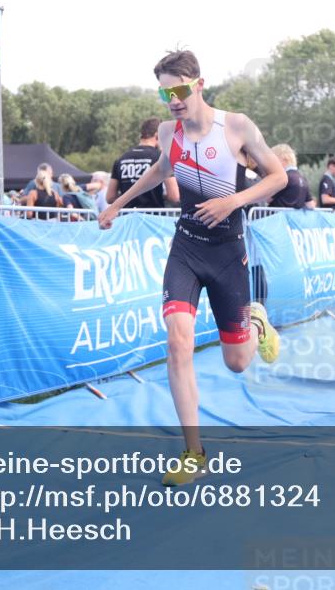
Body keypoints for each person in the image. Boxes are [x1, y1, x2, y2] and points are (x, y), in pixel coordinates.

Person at [98, 50, 287, 486]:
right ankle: (194, 451)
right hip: (186, 248)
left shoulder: (236, 126)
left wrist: (233, 201)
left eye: (179, 90)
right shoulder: (168, 132)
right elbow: (162, 168)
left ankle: (255, 321)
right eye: (164, 92)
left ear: (199, 84)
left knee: (237, 363)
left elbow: (278, 177)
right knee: (178, 340)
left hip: (228, 252)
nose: (172, 100)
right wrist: (117, 205)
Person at [107, 118, 180, 208]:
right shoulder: (161, 158)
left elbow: (110, 197)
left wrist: (127, 199)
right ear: (157, 135)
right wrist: (159, 196)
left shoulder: (121, 159)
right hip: (152, 218)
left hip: (127, 218)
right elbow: (174, 196)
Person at [268, 143, 314, 209]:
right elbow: (311, 205)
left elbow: (268, 198)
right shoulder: (303, 179)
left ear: (284, 159)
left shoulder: (283, 178)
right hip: (295, 218)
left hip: (278, 217)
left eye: (274, 159)